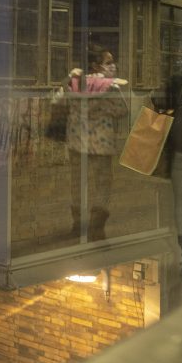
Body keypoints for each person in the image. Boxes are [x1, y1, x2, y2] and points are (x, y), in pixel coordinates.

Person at [66, 47, 130, 240]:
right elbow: (122, 110)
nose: (113, 66)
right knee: (103, 183)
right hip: (101, 143)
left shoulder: (76, 82)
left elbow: (64, 102)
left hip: (77, 141)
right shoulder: (110, 87)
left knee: (78, 183)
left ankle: (78, 224)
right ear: (96, 65)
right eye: (108, 62)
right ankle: (96, 226)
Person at [160, 60, 182, 277]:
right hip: (181, 151)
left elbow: (161, 102)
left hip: (181, 149)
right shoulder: (177, 79)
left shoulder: (178, 78)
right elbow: (162, 103)